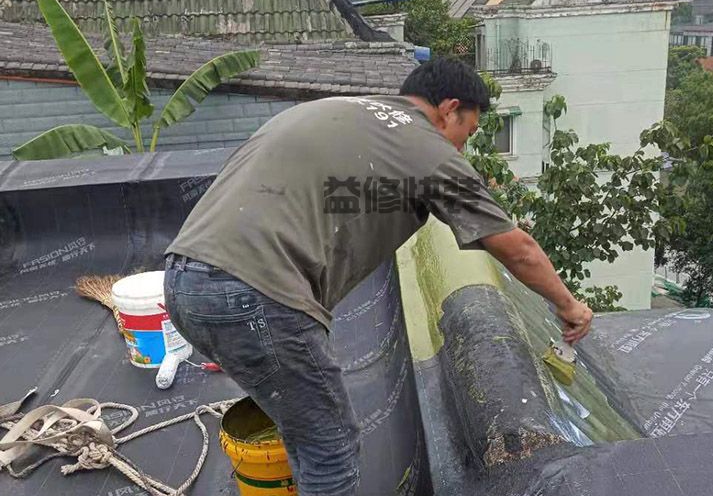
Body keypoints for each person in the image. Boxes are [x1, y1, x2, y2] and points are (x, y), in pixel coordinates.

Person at [163, 58, 593, 496]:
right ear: (450, 108)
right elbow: (516, 248)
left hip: (183, 282)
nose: (463, 147)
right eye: (470, 130)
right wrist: (570, 307)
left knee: (306, 430)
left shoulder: (342, 112)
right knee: (331, 449)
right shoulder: (426, 147)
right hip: (255, 296)